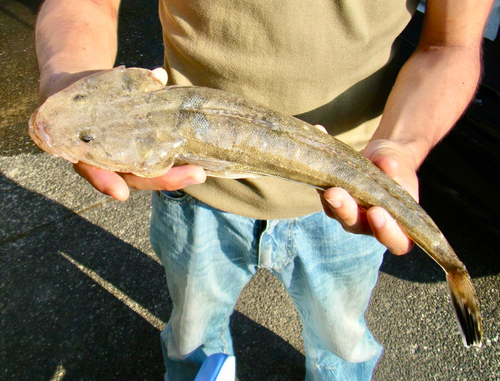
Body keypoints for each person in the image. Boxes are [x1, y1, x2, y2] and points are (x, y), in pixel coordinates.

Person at [34, 0, 493, 379]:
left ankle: (441, 281)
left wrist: (401, 147)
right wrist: (66, 76)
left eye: (87, 139)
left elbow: (450, 43)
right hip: (197, 200)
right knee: (192, 329)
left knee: (341, 340)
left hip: (347, 205)